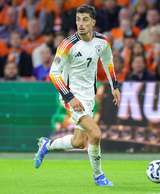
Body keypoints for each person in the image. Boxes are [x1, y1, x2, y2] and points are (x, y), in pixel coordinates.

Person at [34, 5, 120, 187]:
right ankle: (99, 176)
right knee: (95, 134)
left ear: (93, 22)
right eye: (78, 20)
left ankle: (46, 145)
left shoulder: (102, 42)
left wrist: (115, 87)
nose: (81, 24)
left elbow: (108, 63)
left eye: (85, 20)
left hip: (88, 97)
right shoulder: (67, 45)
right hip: (71, 97)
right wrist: (69, 97)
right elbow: (53, 74)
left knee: (79, 142)